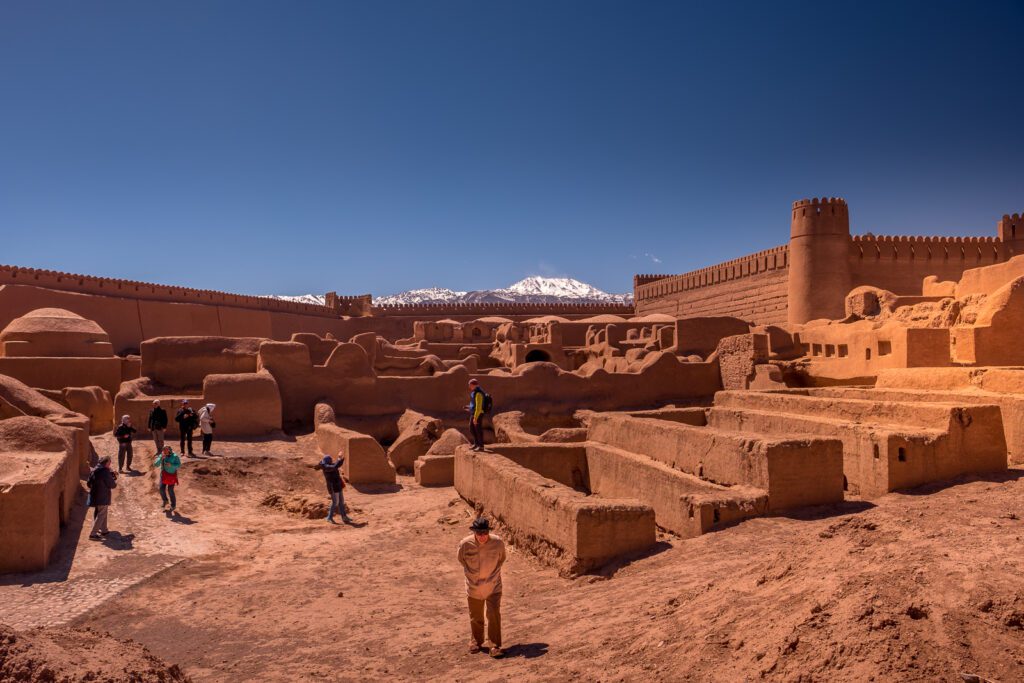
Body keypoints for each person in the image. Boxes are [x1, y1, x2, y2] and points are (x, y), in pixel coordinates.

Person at [457, 517, 507, 658]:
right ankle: (476, 641)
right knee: (476, 616)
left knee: (493, 614)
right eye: (479, 533)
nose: (482, 536)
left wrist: (492, 576)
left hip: (493, 585)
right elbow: (461, 560)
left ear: (488, 532)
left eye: (485, 533)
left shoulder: (498, 543)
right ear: (474, 533)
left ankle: (494, 645)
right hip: (473, 586)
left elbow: (502, 558)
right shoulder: (465, 544)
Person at [313, 453, 350, 524]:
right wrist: (339, 458)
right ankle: (329, 517)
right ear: (328, 461)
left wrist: (342, 458)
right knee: (335, 502)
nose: (331, 461)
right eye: (330, 460)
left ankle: (344, 517)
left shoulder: (329, 465)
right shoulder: (325, 467)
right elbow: (335, 466)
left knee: (341, 502)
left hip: (338, 486)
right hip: (333, 487)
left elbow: (337, 465)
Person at [87, 455, 117, 539]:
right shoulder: (105, 472)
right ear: (106, 462)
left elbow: (88, 484)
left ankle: (104, 530)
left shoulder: (94, 470)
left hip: (94, 495)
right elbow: (112, 485)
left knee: (103, 513)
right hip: (102, 496)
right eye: (109, 462)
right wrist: (114, 476)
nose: (110, 464)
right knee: (101, 514)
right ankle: (93, 534)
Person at [153, 445, 181, 513]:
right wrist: (160, 458)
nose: (165, 452)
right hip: (164, 475)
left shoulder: (175, 456)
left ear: (169, 450)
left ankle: (173, 505)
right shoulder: (162, 456)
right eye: (164, 450)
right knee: (161, 489)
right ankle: (165, 501)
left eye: (166, 450)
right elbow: (156, 464)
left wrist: (171, 465)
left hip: (172, 476)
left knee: (170, 490)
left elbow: (179, 465)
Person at [466, 379, 487, 451]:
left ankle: (481, 446)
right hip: (474, 413)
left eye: (470, 385)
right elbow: (474, 405)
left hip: (478, 414)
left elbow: (478, 407)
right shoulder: (475, 393)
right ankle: (476, 444)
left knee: (478, 430)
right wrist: (469, 408)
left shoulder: (478, 394)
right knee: (472, 428)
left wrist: (475, 418)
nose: (469, 386)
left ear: (473, 385)